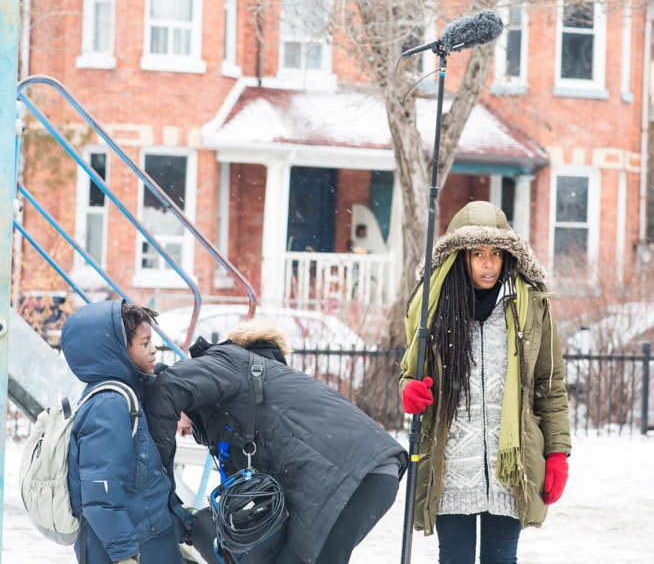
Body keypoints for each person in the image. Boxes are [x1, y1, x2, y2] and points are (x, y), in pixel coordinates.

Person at [143, 319, 408, 564]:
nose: (178, 430)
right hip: (363, 475)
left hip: (352, 475)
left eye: (175, 421)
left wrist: (157, 477)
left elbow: (167, 387)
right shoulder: (245, 401)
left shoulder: (227, 361)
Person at [400, 201, 571, 564]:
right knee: (455, 559)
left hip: (509, 466)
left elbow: (550, 385)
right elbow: (410, 373)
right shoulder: (432, 308)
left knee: (501, 559)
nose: (488, 264)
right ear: (461, 257)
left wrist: (557, 453)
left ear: (507, 255)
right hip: (450, 465)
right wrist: (410, 392)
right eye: (477, 253)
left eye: (495, 253)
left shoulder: (529, 305)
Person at [61, 300, 194, 564]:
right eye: (144, 344)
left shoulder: (128, 395)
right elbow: (100, 492)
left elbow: (141, 480)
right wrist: (124, 556)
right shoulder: (109, 404)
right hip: (130, 548)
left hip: (150, 539)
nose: (154, 350)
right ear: (117, 351)